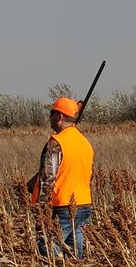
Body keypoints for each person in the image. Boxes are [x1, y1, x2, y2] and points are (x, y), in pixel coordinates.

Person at [33, 97, 94, 259]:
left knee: (48, 252)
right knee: (75, 257)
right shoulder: (84, 142)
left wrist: (41, 210)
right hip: (84, 205)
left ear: (59, 117)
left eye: (51, 113)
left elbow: (47, 178)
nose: (50, 118)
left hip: (62, 206)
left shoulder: (56, 143)